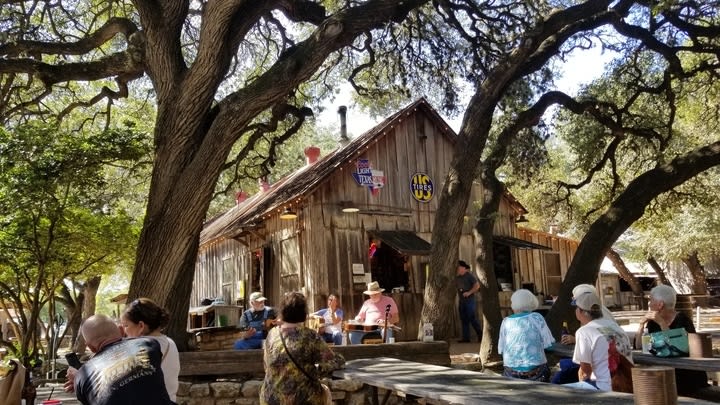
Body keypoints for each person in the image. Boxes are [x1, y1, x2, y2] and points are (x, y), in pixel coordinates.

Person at [65, 314, 174, 405]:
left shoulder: (83, 375)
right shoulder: (149, 344)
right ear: (121, 331)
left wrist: (78, 378)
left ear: (90, 347)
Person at [260, 292, 345, 404]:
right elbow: (332, 362)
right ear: (303, 313)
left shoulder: (272, 333)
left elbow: (267, 365)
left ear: (282, 312)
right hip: (302, 399)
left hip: (270, 397)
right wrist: (315, 371)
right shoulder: (309, 336)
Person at [634, 284, 709, 396]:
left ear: (660, 305)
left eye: (651, 300)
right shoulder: (652, 322)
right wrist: (641, 325)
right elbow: (639, 346)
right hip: (663, 372)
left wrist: (662, 323)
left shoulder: (683, 320)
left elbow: (678, 348)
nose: (649, 303)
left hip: (686, 375)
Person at [564, 292, 633, 391]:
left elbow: (585, 372)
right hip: (627, 384)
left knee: (557, 390)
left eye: (576, 308)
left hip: (604, 387)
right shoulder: (615, 326)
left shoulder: (584, 332)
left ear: (581, 311)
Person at [121, 298, 180, 402]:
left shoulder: (140, 348)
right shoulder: (170, 342)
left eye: (126, 325)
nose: (124, 330)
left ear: (141, 326)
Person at [498, 289, 555, 382]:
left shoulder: (505, 321)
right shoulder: (536, 317)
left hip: (511, 372)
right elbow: (550, 345)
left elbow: (502, 349)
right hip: (536, 372)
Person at [456, 260, 482, 343]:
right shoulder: (457, 277)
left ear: (463, 268)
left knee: (472, 318)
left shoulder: (469, 276)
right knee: (464, 319)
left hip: (469, 300)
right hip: (461, 301)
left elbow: (477, 285)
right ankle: (466, 338)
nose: (458, 269)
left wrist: (469, 292)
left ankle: (480, 335)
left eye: (459, 267)